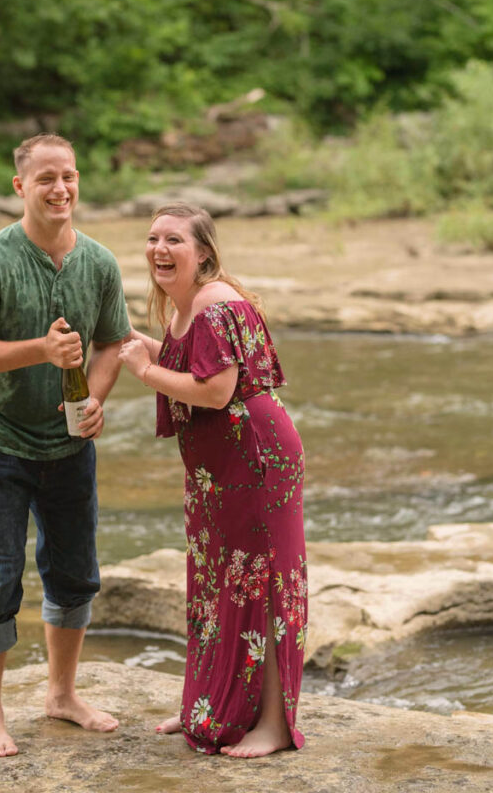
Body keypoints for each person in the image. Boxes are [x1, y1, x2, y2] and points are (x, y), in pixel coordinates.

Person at [0, 133, 130, 757]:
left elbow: (111, 343)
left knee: (75, 575)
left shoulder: (100, 263)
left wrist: (96, 399)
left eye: (70, 176)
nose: (61, 189)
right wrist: (40, 351)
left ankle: (61, 695)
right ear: (21, 186)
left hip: (70, 445)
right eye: (46, 178)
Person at [118, 202, 307, 758]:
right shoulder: (183, 311)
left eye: (174, 240)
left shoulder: (214, 303)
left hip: (255, 464)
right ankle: (212, 706)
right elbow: (186, 362)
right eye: (153, 238)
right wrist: (129, 340)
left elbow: (217, 390)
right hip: (215, 473)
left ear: (203, 253)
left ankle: (273, 724)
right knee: (216, 583)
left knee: (261, 585)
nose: (159, 249)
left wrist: (143, 370)